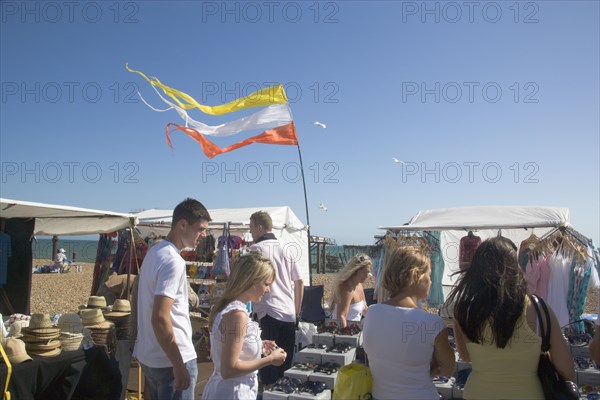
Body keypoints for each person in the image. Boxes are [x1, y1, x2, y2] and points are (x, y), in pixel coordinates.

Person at [447, 236, 575, 399]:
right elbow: (567, 371)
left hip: (478, 393)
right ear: (515, 267)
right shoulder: (539, 309)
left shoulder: (463, 309)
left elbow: (466, 356)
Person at [133, 198, 212, 400]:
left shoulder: (154, 253)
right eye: (200, 229)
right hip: (172, 359)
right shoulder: (173, 261)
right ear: (182, 224)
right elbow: (159, 317)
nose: (203, 235)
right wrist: (178, 364)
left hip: (150, 355)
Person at [362, 246, 455, 399]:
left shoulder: (372, 313)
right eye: (429, 276)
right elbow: (448, 369)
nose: (431, 282)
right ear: (416, 275)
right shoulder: (430, 323)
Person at [202, 252, 287, 399]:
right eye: (266, 284)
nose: (268, 290)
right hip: (232, 393)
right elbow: (228, 369)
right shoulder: (237, 315)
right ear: (252, 281)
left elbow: (228, 346)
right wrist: (270, 360)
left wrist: (259, 344)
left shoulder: (227, 307)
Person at [249, 211, 304, 386]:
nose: (251, 233)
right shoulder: (286, 247)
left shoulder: (255, 250)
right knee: (284, 370)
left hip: (268, 313)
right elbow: (300, 282)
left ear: (259, 227)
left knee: (268, 370)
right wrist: (296, 311)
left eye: (251, 228)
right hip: (288, 313)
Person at [329, 253, 371, 328]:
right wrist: (346, 336)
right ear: (355, 271)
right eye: (364, 272)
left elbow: (364, 309)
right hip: (343, 331)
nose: (367, 276)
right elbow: (341, 317)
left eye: (368, 272)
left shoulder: (359, 285)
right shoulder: (346, 288)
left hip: (355, 329)